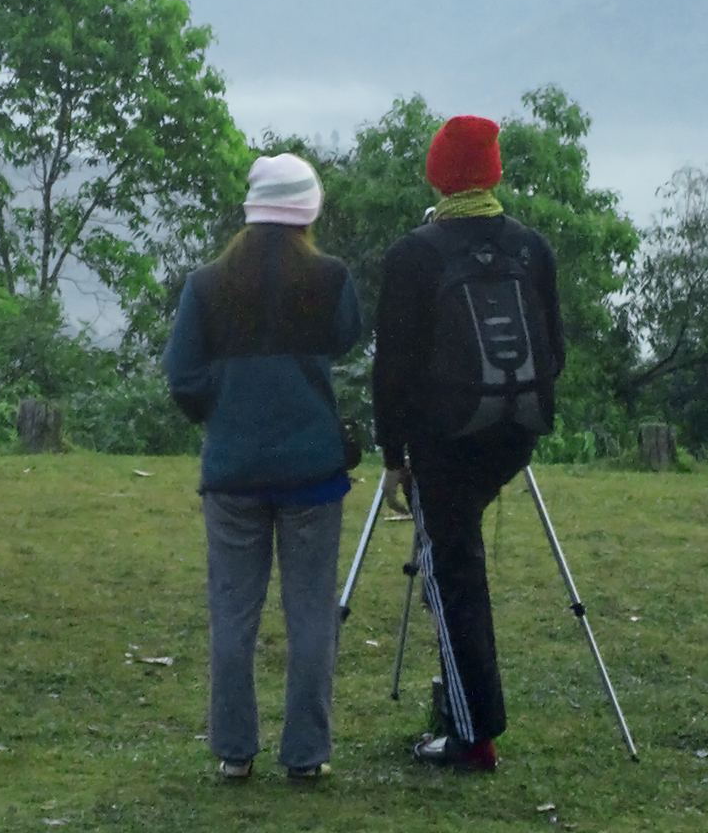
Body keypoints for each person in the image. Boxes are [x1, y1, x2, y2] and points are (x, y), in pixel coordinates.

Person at [373, 115, 565, 772]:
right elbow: (555, 354)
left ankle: (472, 737)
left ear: (436, 173)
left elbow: (392, 371)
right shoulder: (531, 247)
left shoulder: (414, 254)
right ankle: (463, 717)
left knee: (453, 576)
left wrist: (394, 457)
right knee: (458, 566)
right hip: (513, 436)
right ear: (494, 172)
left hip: (443, 446)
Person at [165, 153, 363, 782]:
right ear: (308, 211)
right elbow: (347, 338)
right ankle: (306, 754)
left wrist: (218, 410)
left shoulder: (207, 284)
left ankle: (233, 751)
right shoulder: (330, 279)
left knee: (233, 613)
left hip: (233, 472)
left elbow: (181, 374)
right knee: (311, 614)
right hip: (313, 472)